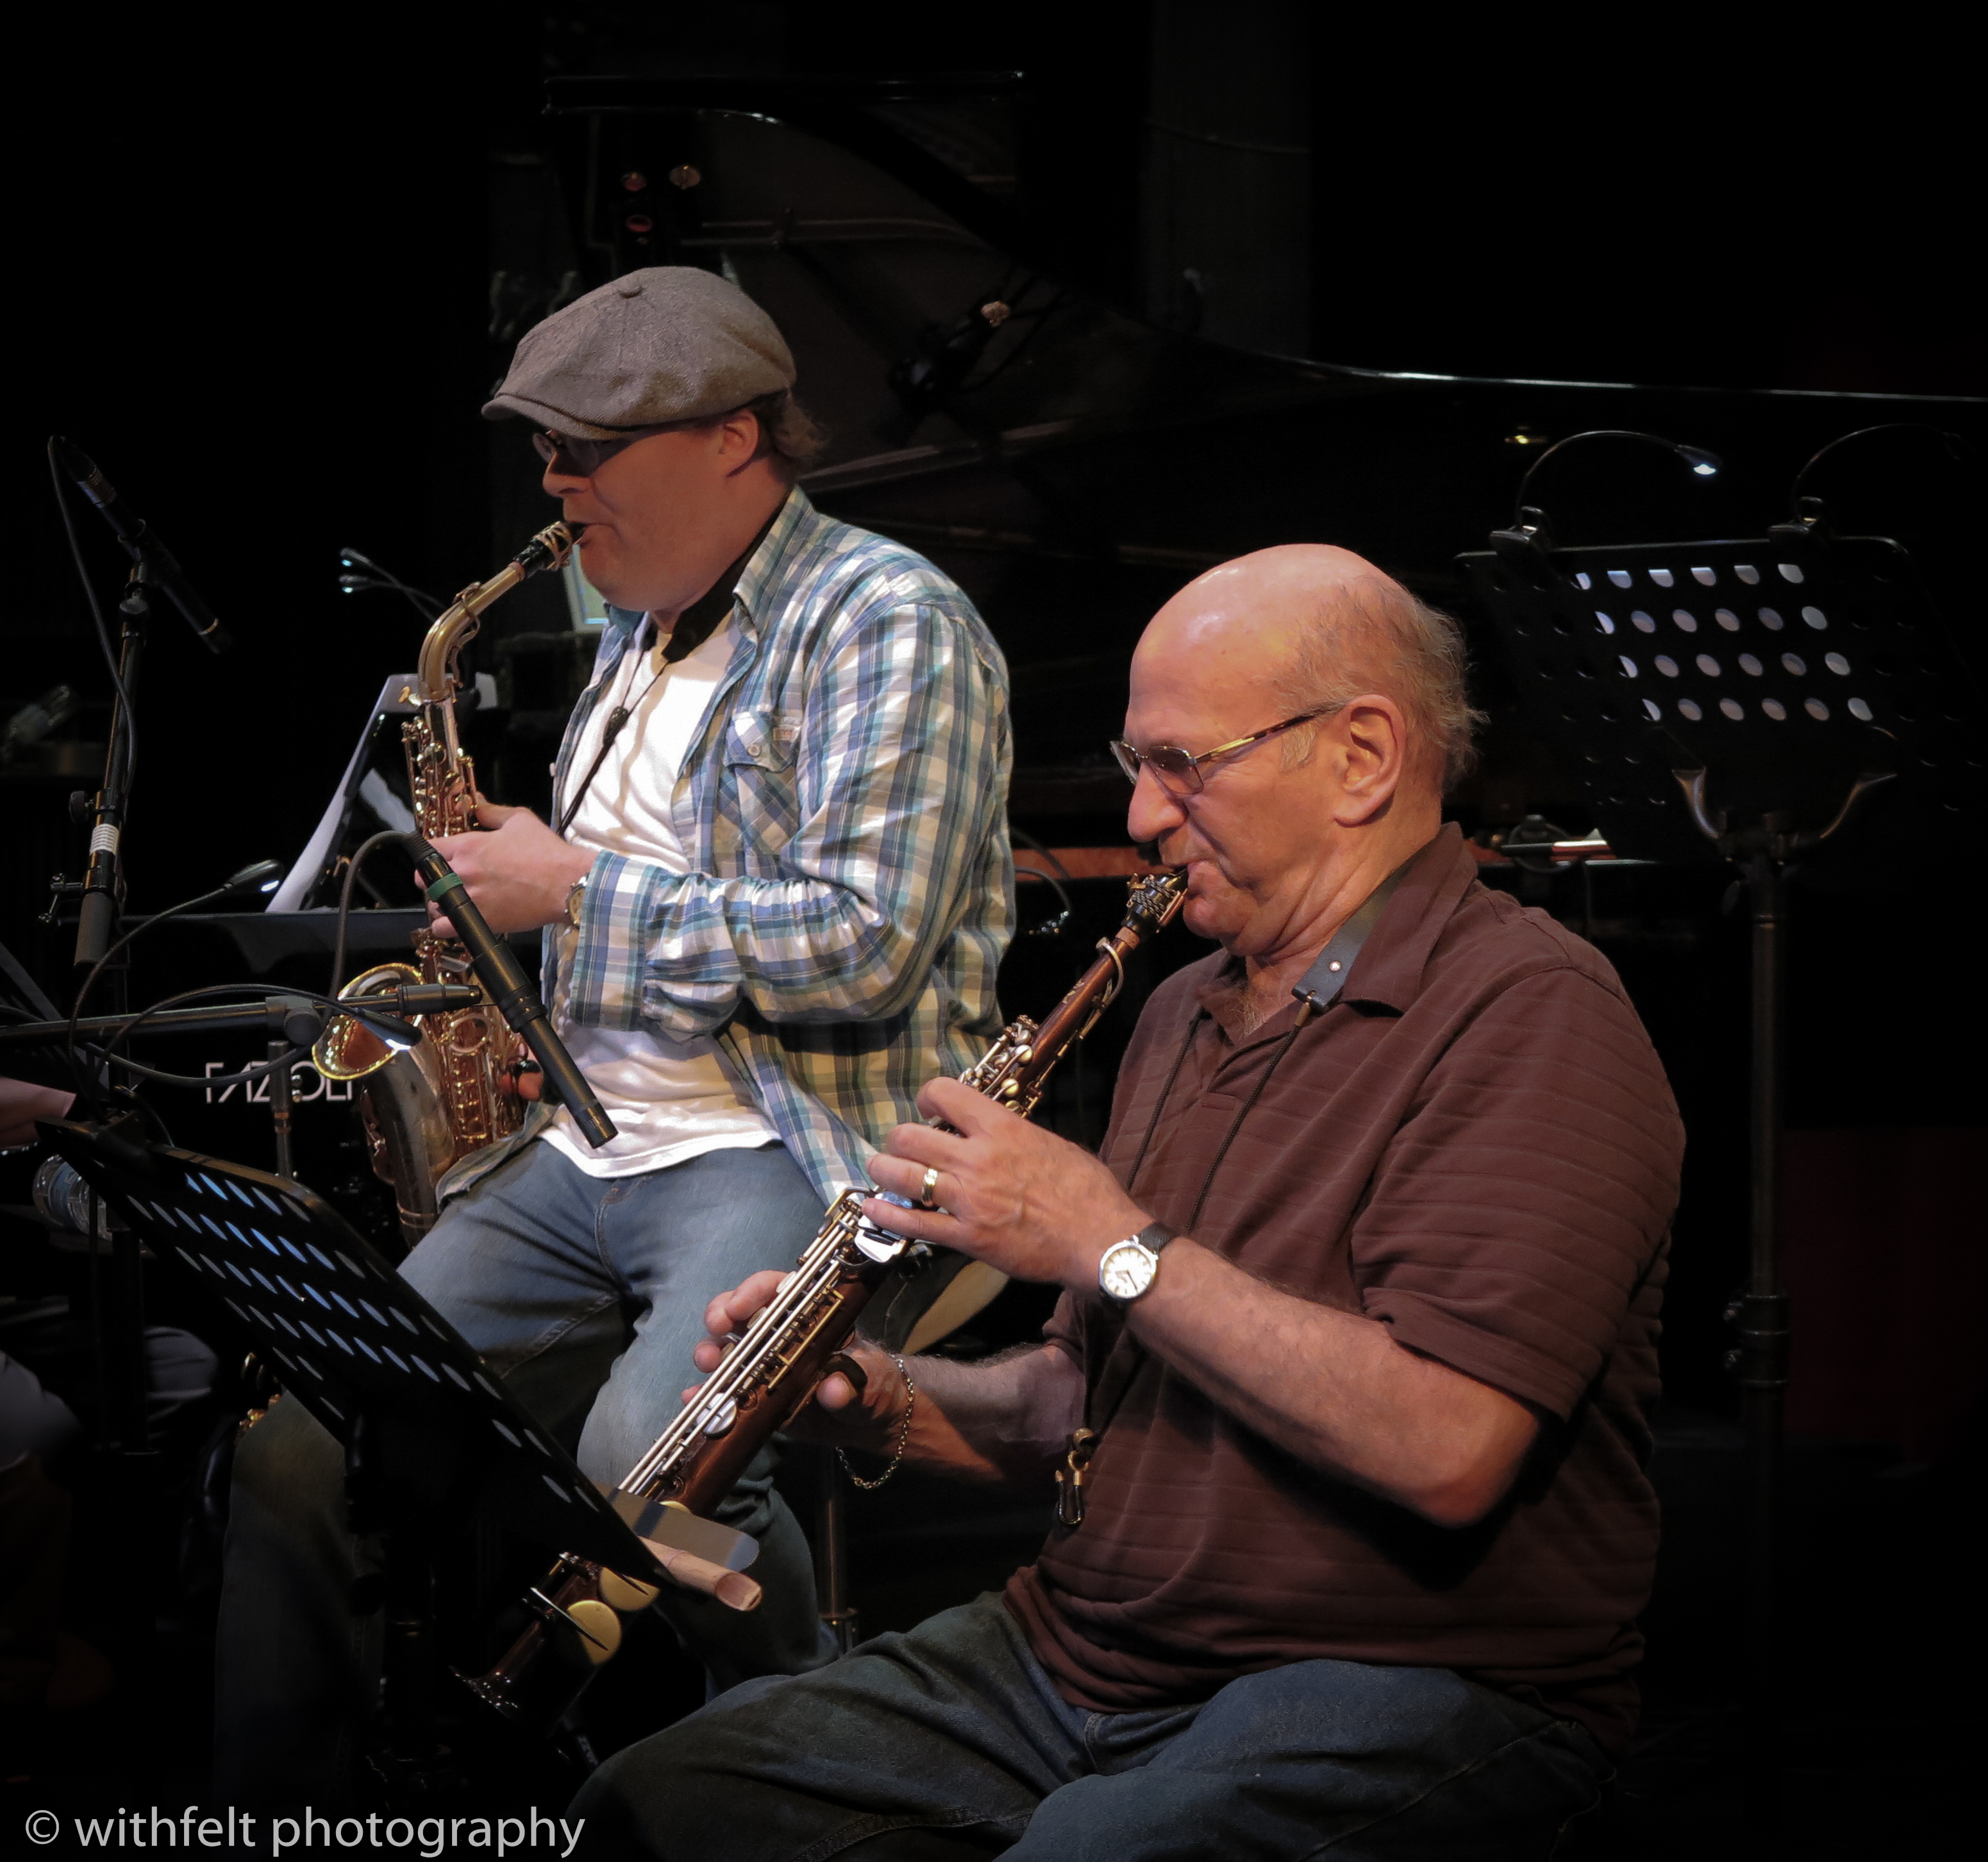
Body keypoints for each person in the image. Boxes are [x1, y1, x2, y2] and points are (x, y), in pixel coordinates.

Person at [575, 545, 1683, 1859]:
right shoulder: (1180, 1008)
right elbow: (1078, 1403)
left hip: (1409, 1677)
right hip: (1081, 1659)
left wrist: (1106, 1236)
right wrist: (885, 1397)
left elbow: (1450, 1449)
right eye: (1134, 767)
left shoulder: (1531, 1011)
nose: (1147, 818)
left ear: (1364, 756)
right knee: (649, 1806)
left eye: (1184, 767)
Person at [216, 267, 1014, 1807]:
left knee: (647, 1470)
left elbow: (861, 944)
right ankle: (276, 1813)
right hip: (582, 1144)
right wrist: (512, 969)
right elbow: (643, 902)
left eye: (588, 446)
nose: (556, 481)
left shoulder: (887, 618)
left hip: (789, 1145)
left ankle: (838, 1764)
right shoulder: (629, 634)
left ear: (732, 438)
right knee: (302, 1432)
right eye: (544, 450)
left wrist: (573, 883)